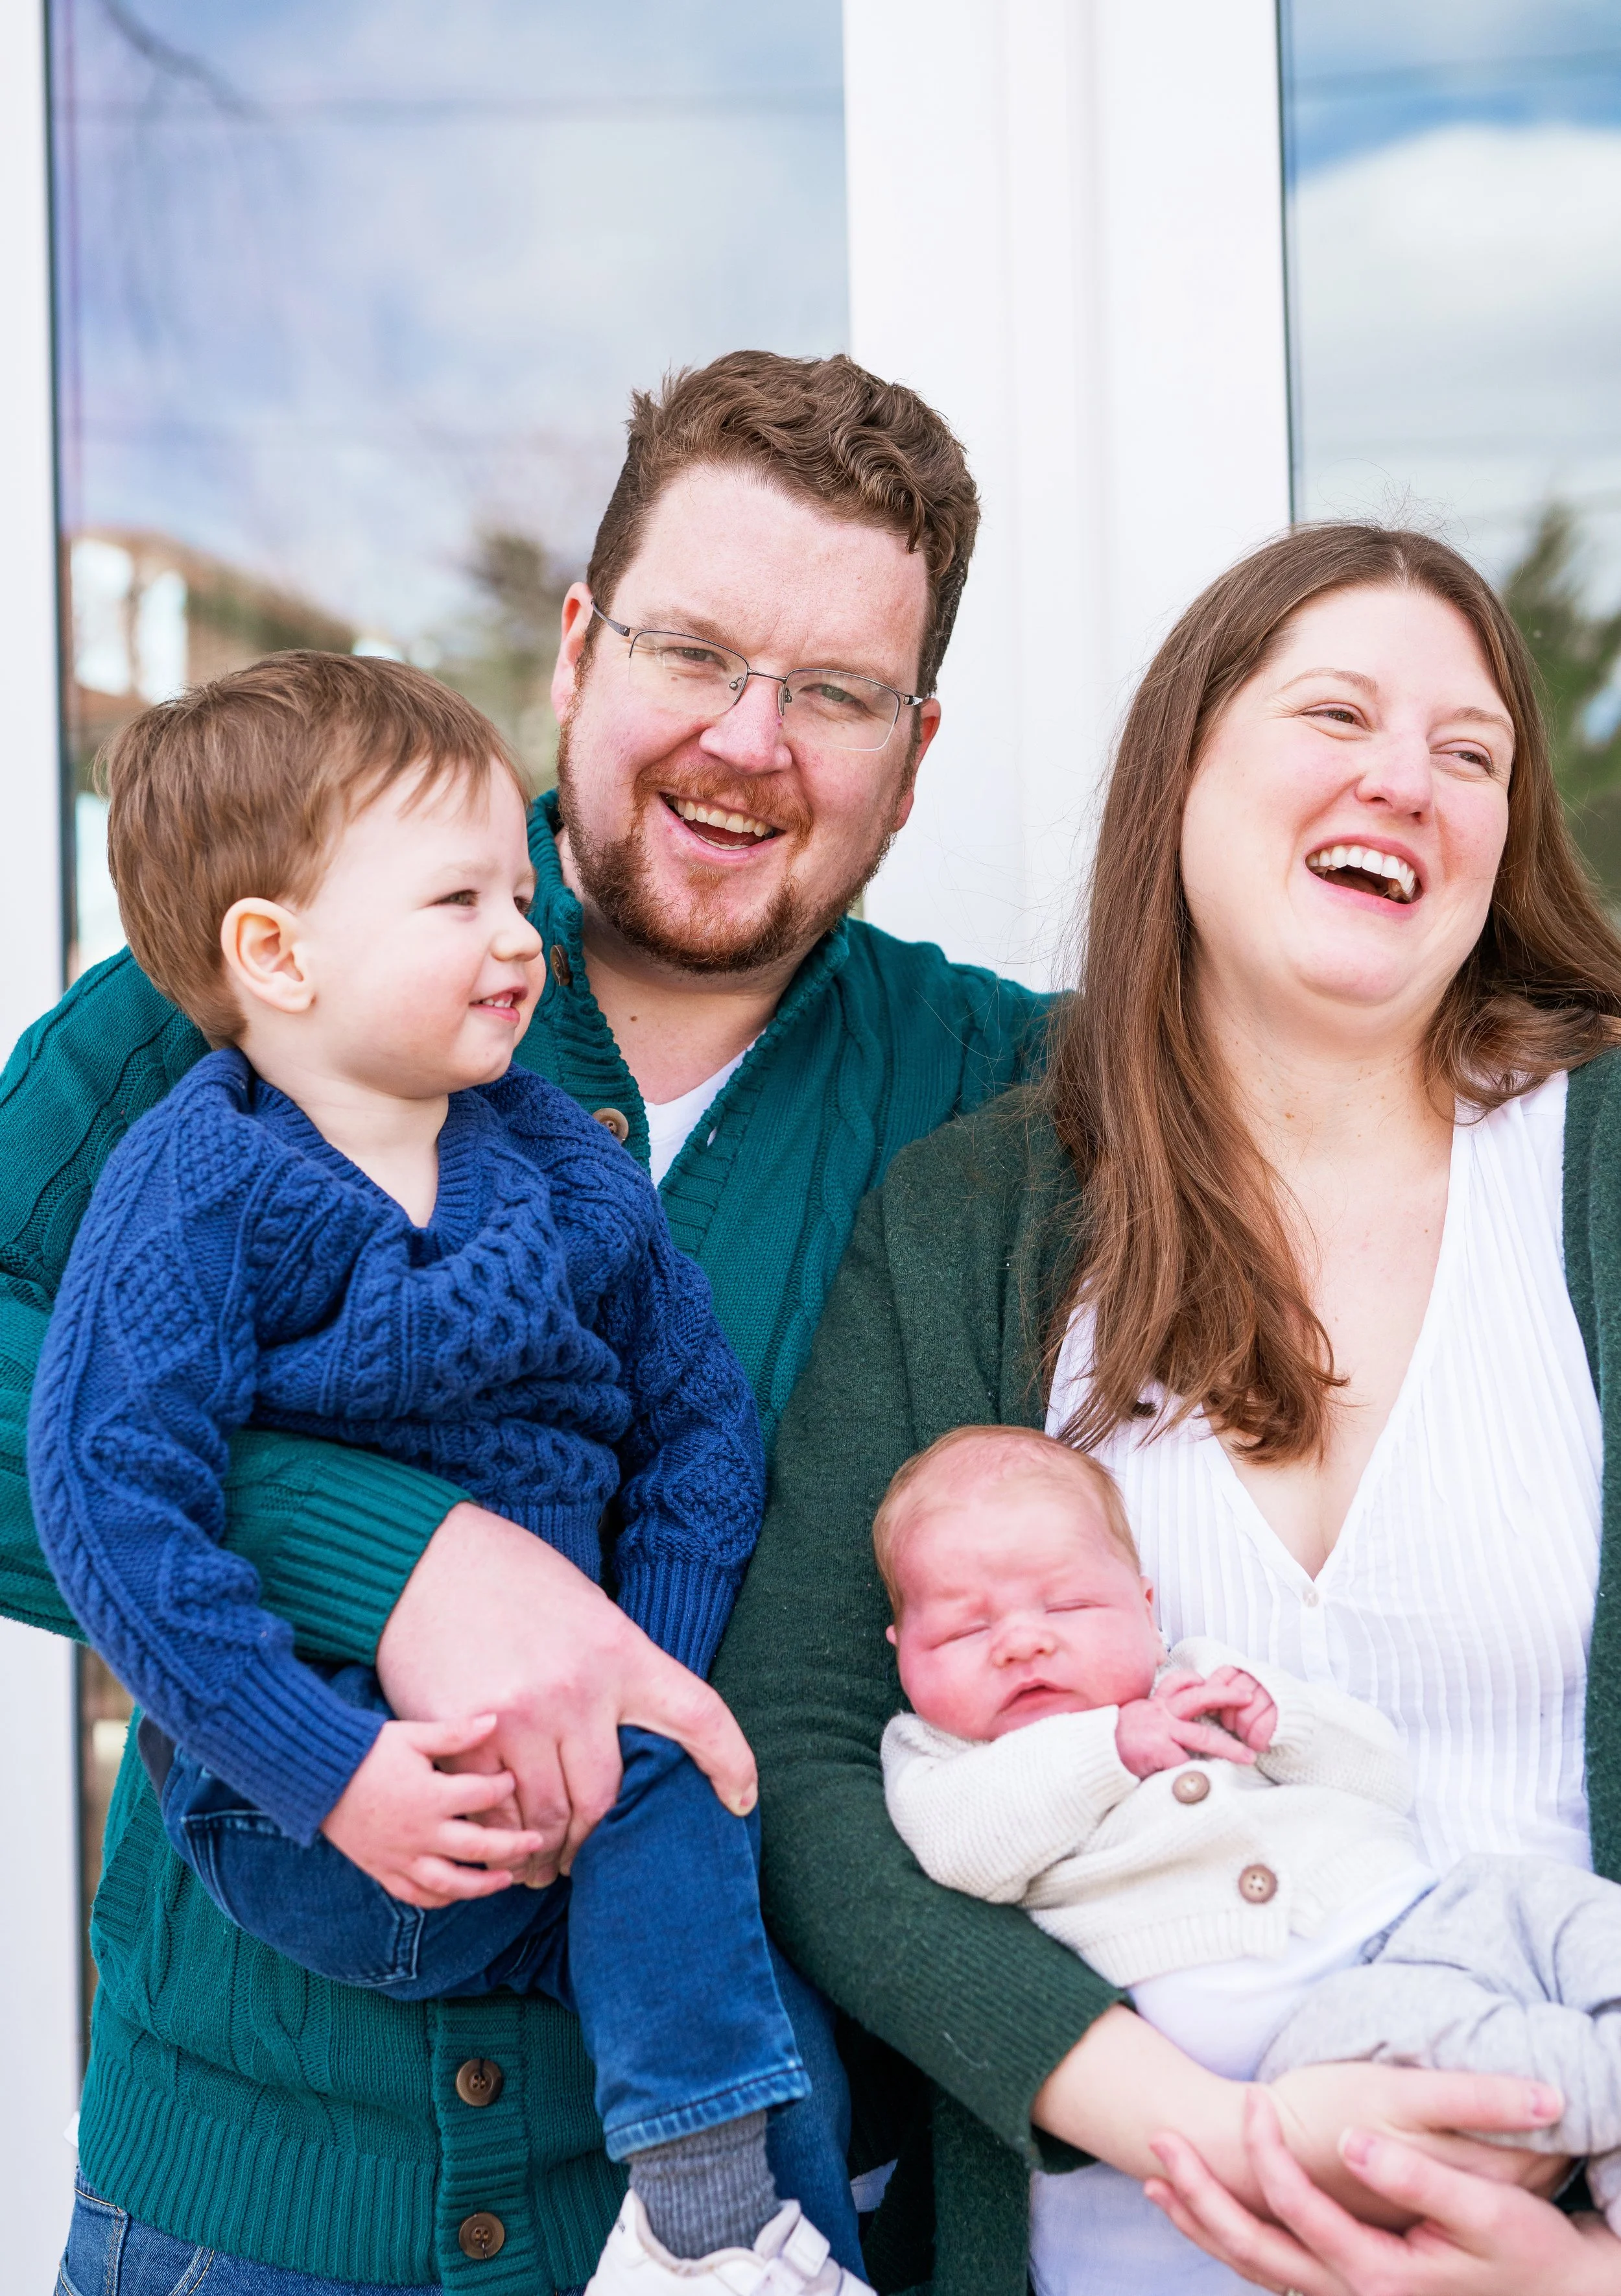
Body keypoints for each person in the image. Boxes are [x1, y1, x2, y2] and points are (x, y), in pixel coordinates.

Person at [0, 348, 1048, 2296]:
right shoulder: (256, 970)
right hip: (242, 2222)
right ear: (575, 646)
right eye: (692, 650)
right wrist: (401, 1559)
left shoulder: (990, 1091)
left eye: (832, 692)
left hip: (763, 2237)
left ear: (914, 743)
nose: (750, 737)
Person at [716, 521, 1621, 2296]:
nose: (1404, 780)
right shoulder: (977, 1214)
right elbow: (806, 1754)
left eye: (1469, 754)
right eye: (1337, 713)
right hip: (1123, 2242)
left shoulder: (1592, 1166)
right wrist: (1170, 2117)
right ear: (1179, 771)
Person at [27, 650, 877, 2296]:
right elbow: (112, 1501)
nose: (521, 936)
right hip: (314, 1821)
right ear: (274, 954)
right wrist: (332, 1768)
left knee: (764, 2022)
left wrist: (636, 1671)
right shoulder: (197, 1182)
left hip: (575, 1803)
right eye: (460, 901)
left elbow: (697, 1431)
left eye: (517, 887)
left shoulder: (549, 1159)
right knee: (704, 1965)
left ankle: (725, 2238)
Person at [872, 1424, 1621, 2280]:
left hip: (1423, 1911)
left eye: (1069, 1607)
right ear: (901, 1654)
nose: (1021, 1642)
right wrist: (1109, 1750)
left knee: (1564, 1909)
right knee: (1480, 2056)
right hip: (1308, 2027)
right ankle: (1604, 2088)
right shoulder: (941, 1759)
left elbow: (1382, 1777)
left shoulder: (1198, 1676)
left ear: (1146, 1607)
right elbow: (963, 1849)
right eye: (964, 1633)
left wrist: (1285, 1724)